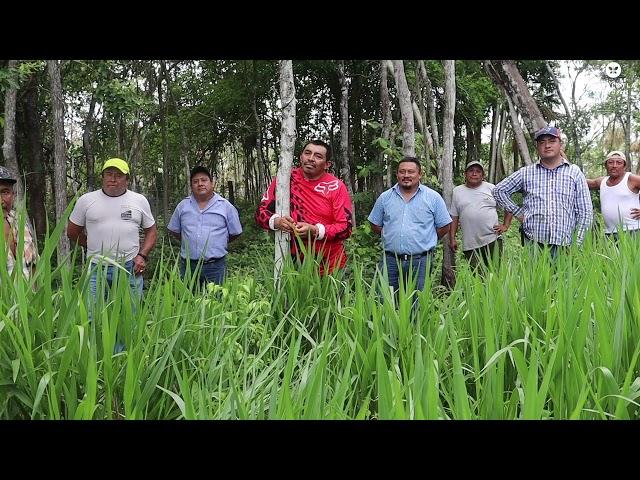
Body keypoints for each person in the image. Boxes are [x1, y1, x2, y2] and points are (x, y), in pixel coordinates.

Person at [255, 140, 353, 274]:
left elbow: (345, 228)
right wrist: (277, 221)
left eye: (318, 156)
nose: (311, 158)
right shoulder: (285, 180)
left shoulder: (336, 187)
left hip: (329, 265)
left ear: (327, 164)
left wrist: (315, 231)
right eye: (307, 153)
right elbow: (260, 213)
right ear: (301, 157)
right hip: (292, 263)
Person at [493, 126, 593, 257]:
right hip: (534, 244)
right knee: (536, 278)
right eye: (542, 142)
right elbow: (499, 190)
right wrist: (518, 213)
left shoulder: (574, 172)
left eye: (552, 141)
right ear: (537, 147)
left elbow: (585, 212)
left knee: (565, 278)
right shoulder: (526, 173)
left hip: (566, 246)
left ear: (560, 144)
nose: (547, 145)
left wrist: (577, 244)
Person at [67, 158, 157, 301]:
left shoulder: (139, 200)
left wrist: (142, 255)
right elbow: (72, 232)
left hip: (130, 266)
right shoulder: (86, 200)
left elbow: (151, 232)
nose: (113, 179)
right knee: (93, 318)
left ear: (127, 179)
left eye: (119, 175)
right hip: (96, 267)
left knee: (132, 317)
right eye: (109, 174)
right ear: (102, 177)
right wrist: (91, 244)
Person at [368, 156, 452, 293]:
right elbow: (375, 224)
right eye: (402, 172)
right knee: (385, 302)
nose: (406, 175)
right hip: (390, 261)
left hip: (421, 261)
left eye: (411, 172)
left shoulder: (433, 197)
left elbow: (444, 226)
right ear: (397, 174)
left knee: (417, 305)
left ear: (420, 174)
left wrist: (426, 238)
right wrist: (389, 235)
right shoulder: (385, 198)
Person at [168, 165, 242, 286]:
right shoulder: (183, 206)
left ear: (212, 183)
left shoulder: (225, 206)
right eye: (195, 181)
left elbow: (235, 232)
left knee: (216, 302)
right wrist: (190, 241)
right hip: (188, 266)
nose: (200, 184)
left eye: (204, 180)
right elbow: (175, 230)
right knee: (188, 301)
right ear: (191, 186)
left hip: (215, 267)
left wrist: (219, 241)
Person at [449, 161, 513, 269]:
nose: (474, 174)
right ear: (465, 174)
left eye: (478, 172)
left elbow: (509, 206)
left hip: (493, 239)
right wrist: (452, 238)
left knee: (495, 274)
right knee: (477, 278)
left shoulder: (492, 188)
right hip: (470, 243)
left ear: (483, 176)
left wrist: (505, 225)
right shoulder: (457, 191)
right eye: (471, 171)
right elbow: (454, 217)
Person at [586, 151, 640, 239]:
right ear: (606, 165)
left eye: (619, 163)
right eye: (610, 162)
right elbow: (581, 181)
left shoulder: (631, 179)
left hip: (633, 230)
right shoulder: (602, 182)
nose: (614, 165)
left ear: (624, 166)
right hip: (609, 234)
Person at [1, 166, 38, 279]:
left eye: (5, 192)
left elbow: (33, 264)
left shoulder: (19, 220)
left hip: (27, 295)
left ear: (13, 195)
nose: (1, 201)